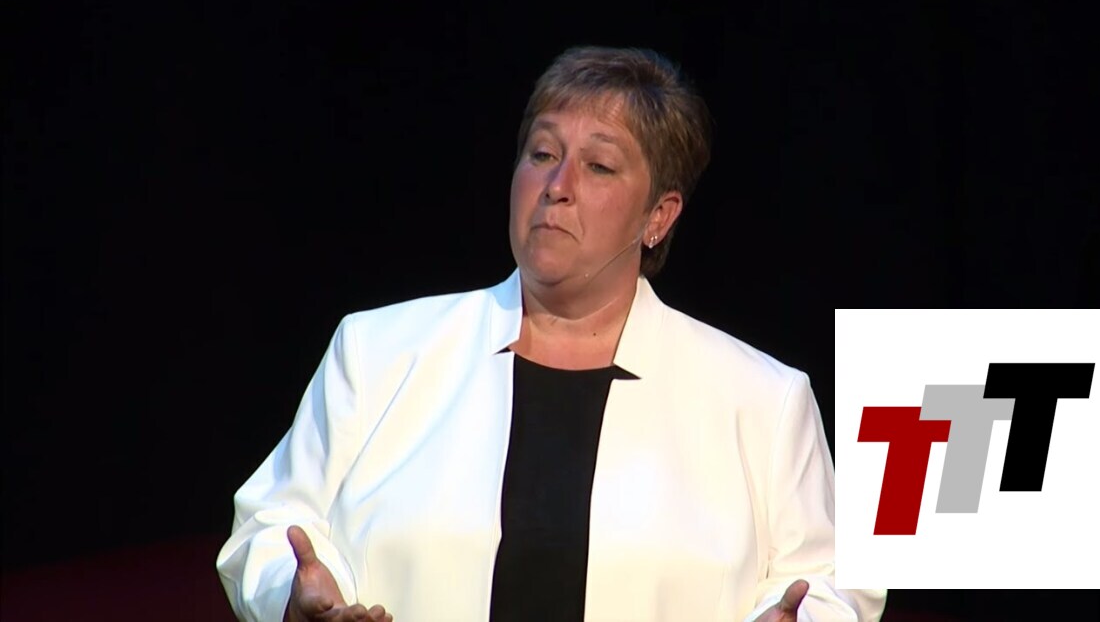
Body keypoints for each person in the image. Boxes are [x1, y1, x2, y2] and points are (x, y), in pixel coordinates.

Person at [216, 45, 886, 621]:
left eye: (598, 166)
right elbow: (268, 529)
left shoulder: (762, 399)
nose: (556, 186)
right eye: (541, 154)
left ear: (658, 216)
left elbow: (830, 585)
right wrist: (290, 594)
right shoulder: (377, 352)